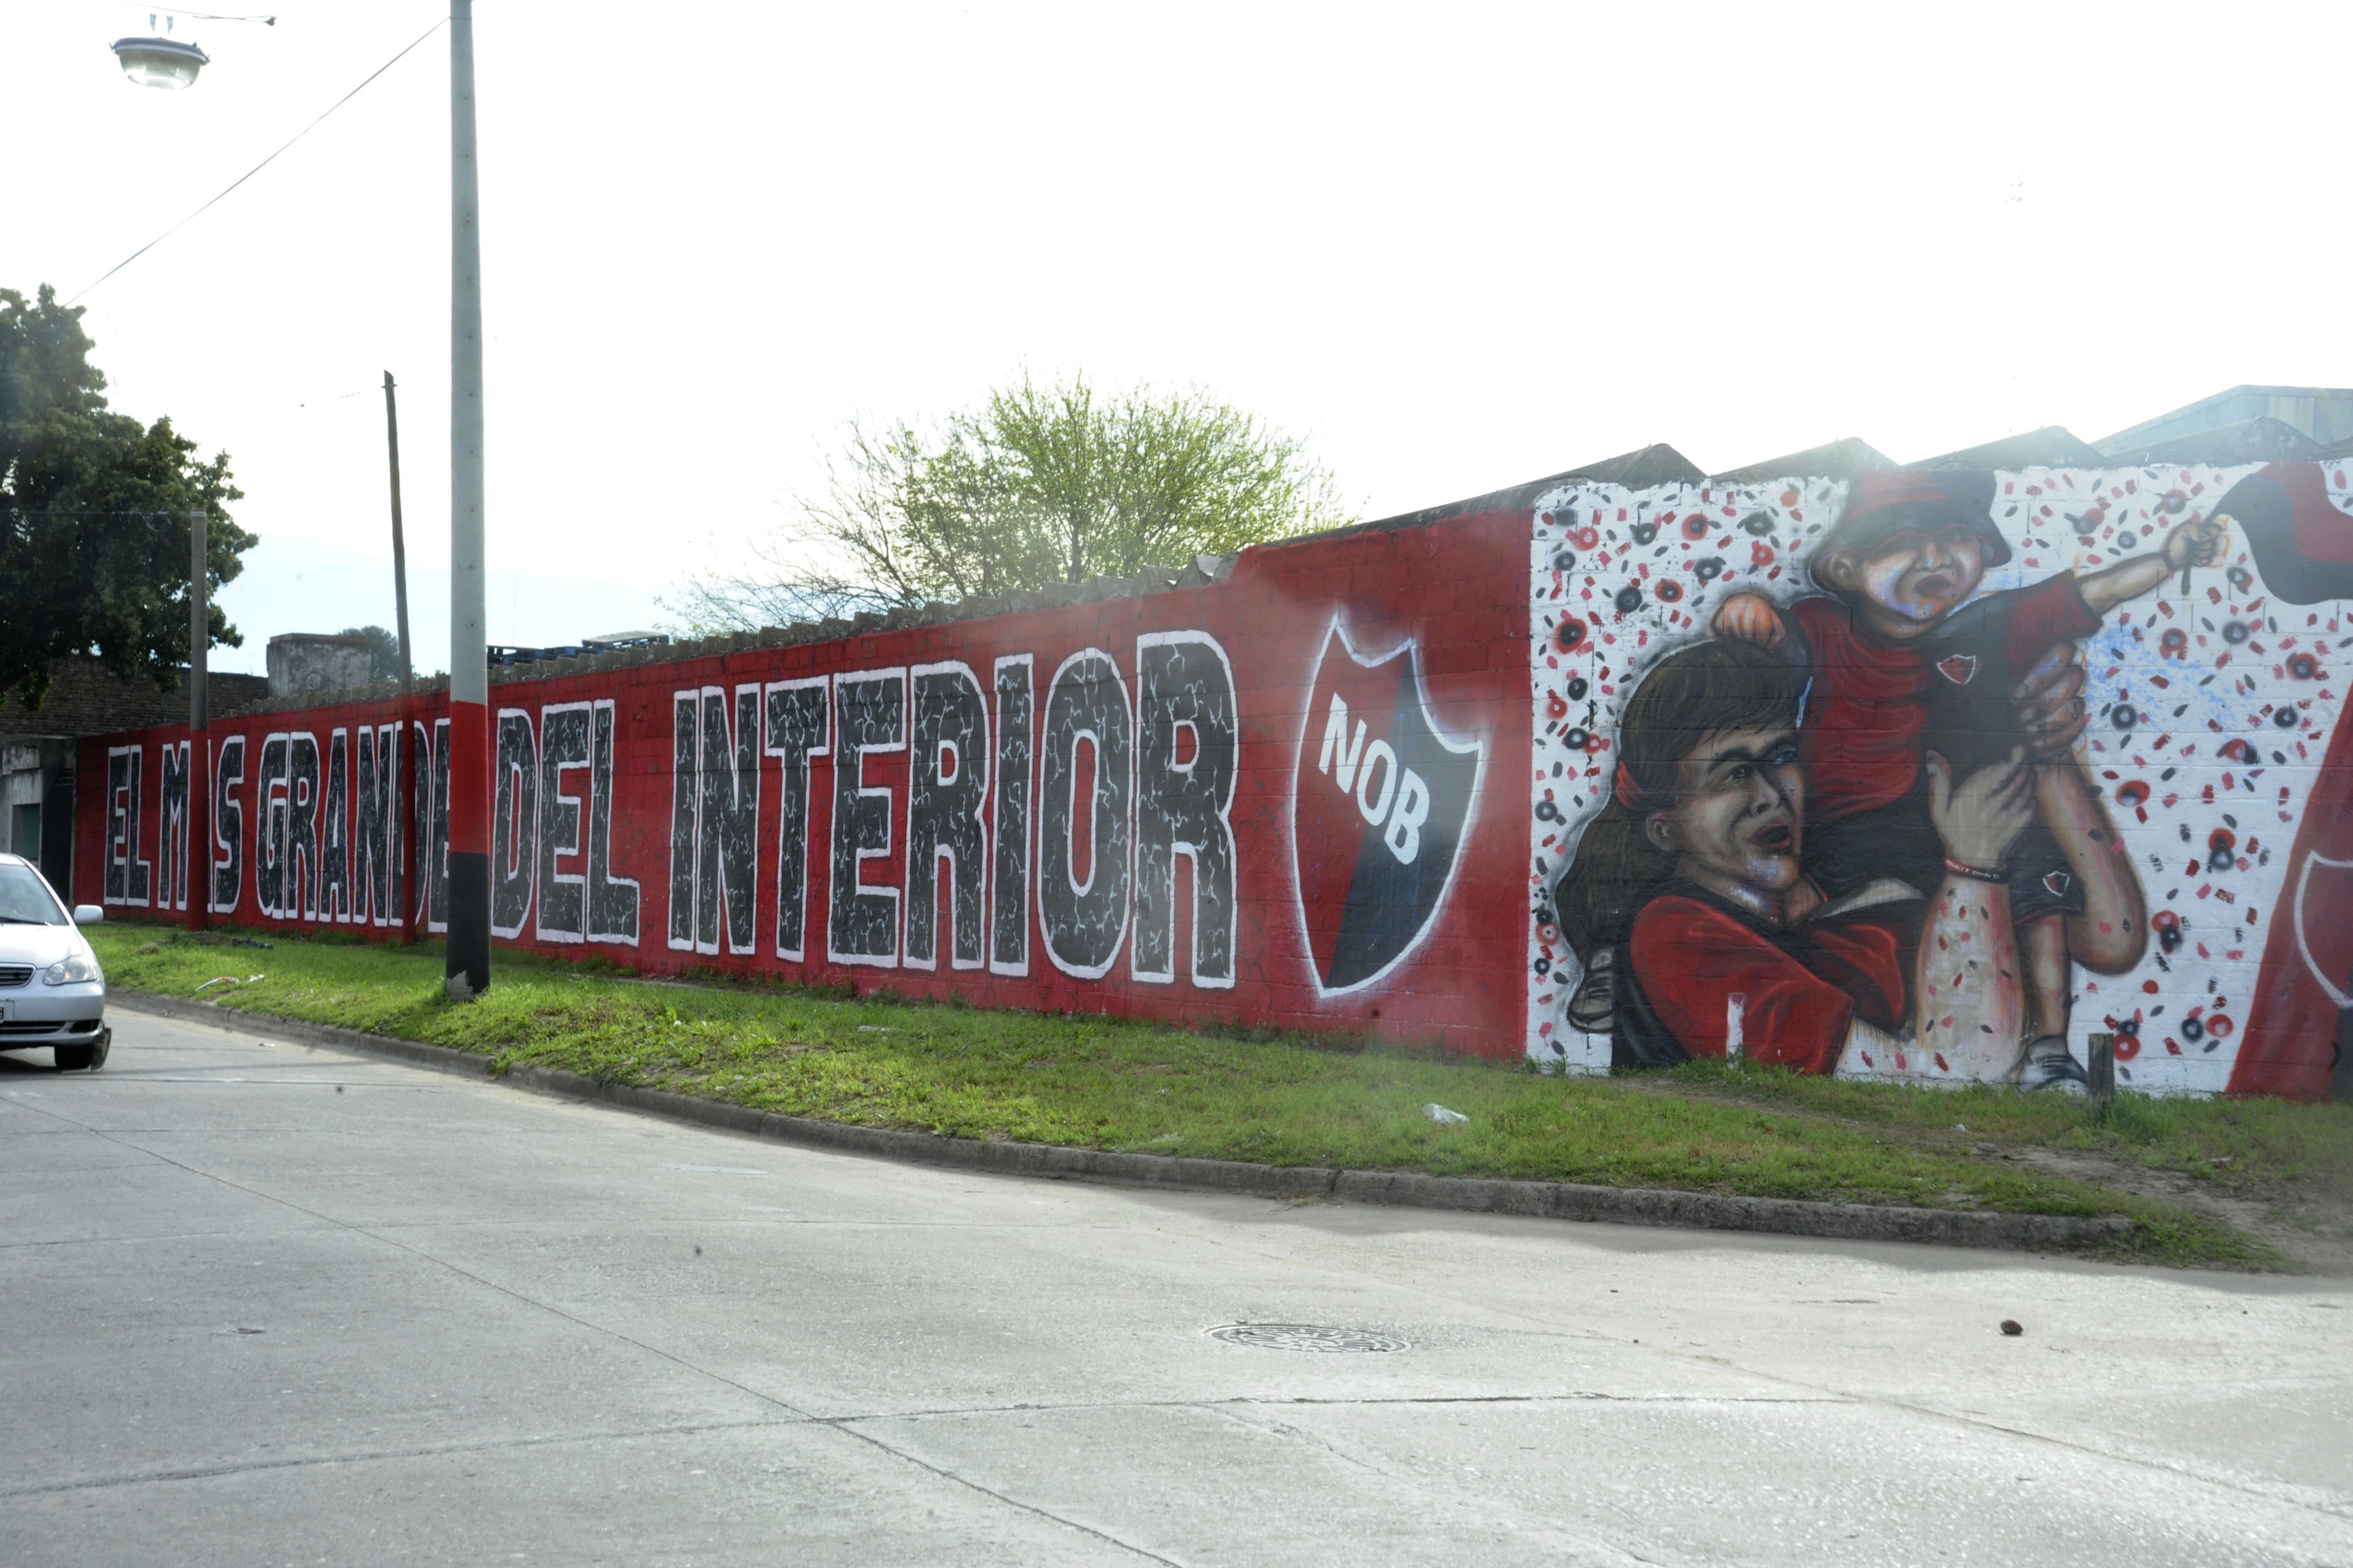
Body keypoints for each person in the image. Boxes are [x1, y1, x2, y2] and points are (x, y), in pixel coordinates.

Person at [1707, 470, 2203, 1085]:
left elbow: (2088, 594)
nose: (1935, 557)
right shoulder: (1824, 624)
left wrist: (2166, 559)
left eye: (1956, 539)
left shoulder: (1987, 628)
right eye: (1906, 542)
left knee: (2034, 881)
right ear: (1843, 567)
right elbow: (1770, 639)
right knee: (1792, 907)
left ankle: (2048, 1047)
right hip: (1841, 824)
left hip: (1933, 817)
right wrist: (1743, 609)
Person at [1553, 638, 2040, 1081]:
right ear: (1666, 829)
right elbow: (1952, 1077)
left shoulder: (1870, 899)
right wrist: (1976, 869)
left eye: (1782, 755)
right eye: (1734, 773)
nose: (1770, 796)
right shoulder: (1677, 933)